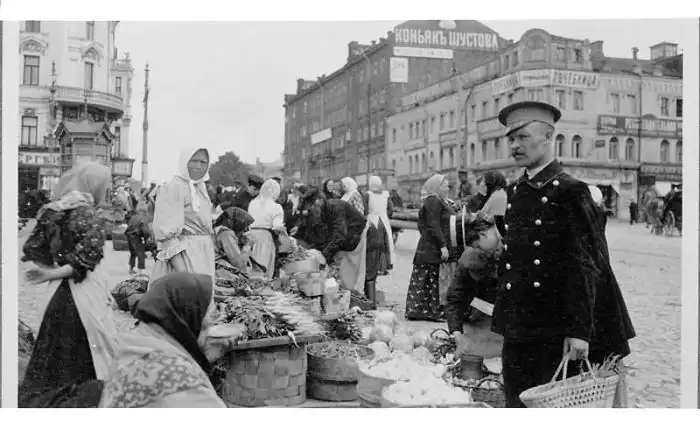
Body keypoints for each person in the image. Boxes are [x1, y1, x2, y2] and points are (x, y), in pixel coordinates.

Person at [494, 101, 635, 408]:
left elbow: (586, 266)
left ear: (548, 137)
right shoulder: (517, 191)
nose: (515, 145)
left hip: (554, 329)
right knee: (516, 404)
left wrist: (579, 331)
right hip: (520, 326)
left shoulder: (570, 192)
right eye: (511, 139)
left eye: (523, 137)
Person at [20, 162, 121, 407]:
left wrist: (50, 270)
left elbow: (33, 248)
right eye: (104, 186)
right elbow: (84, 261)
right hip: (85, 292)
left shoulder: (56, 210)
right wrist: (52, 274)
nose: (105, 191)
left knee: (55, 350)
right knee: (89, 349)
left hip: (61, 294)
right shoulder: (89, 214)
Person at [100, 273, 244, 408]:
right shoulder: (182, 381)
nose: (214, 323)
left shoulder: (134, 343)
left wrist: (205, 356)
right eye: (210, 316)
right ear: (188, 316)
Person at [298, 187, 379, 304]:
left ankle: (371, 305)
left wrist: (325, 256)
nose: (313, 210)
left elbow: (339, 234)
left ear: (320, 200)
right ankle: (359, 302)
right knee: (347, 276)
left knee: (368, 273)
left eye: (314, 206)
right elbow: (326, 236)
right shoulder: (322, 213)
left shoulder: (335, 207)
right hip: (352, 241)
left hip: (367, 235)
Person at [150, 147, 215, 290]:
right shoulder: (174, 187)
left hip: (203, 256)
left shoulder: (201, 189)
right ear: (185, 161)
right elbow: (167, 235)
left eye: (203, 162)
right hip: (184, 258)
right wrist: (183, 273)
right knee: (186, 297)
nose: (199, 166)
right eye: (194, 161)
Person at [445, 212, 504, 358]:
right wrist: (457, 333)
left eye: (477, 245)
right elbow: (455, 298)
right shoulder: (470, 258)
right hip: (487, 318)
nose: (478, 250)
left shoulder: (516, 240)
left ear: (483, 234)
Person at [405, 174, 461, 322]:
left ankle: (422, 311)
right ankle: (430, 312)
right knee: (430, 279)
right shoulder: (433, 201)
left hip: (430, 245)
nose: (447, 188)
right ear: (436, 187)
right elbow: (433, 225)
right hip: (431, 247)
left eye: (448, 185)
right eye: (444, 185)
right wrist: (443, 245)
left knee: (430, 279)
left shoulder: (438, 201)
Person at [248, 179, 285, 279]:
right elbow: (277, 227)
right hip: (265, 237)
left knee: (252, 265)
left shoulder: (253, 203)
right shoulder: (276, 207)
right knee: (264, 266)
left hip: (250, 236)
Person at [366, 176, 395, 275]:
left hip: (372, 220)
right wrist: (386, 215)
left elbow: (365, 209)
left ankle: (375, 267)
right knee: (384, 244)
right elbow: (390, 209)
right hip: (383, 221)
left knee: (373, 244)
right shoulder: (386, 195)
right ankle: (384, 267)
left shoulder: (368, 195)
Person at [214, 207, 254, 278]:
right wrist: (247, 245)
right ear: (238, 224)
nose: (245, 230)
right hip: (219, 271)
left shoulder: (223, 232)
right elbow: (238, 263)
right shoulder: (226, 234)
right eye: (245, 226)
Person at [478, 170, 508, 236]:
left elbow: (485, 218)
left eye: (484, 181)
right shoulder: (492, 194)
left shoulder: (499, 194)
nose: (483, 184)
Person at [126, 201, 150, 275]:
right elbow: (146, 231)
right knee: (141, 254)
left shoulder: (133, 217)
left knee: (133, 253)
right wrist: (146, 239)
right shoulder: (143, 219)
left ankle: (131, 268)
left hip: (129, 237)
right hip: (137, 237)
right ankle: (140, 270)